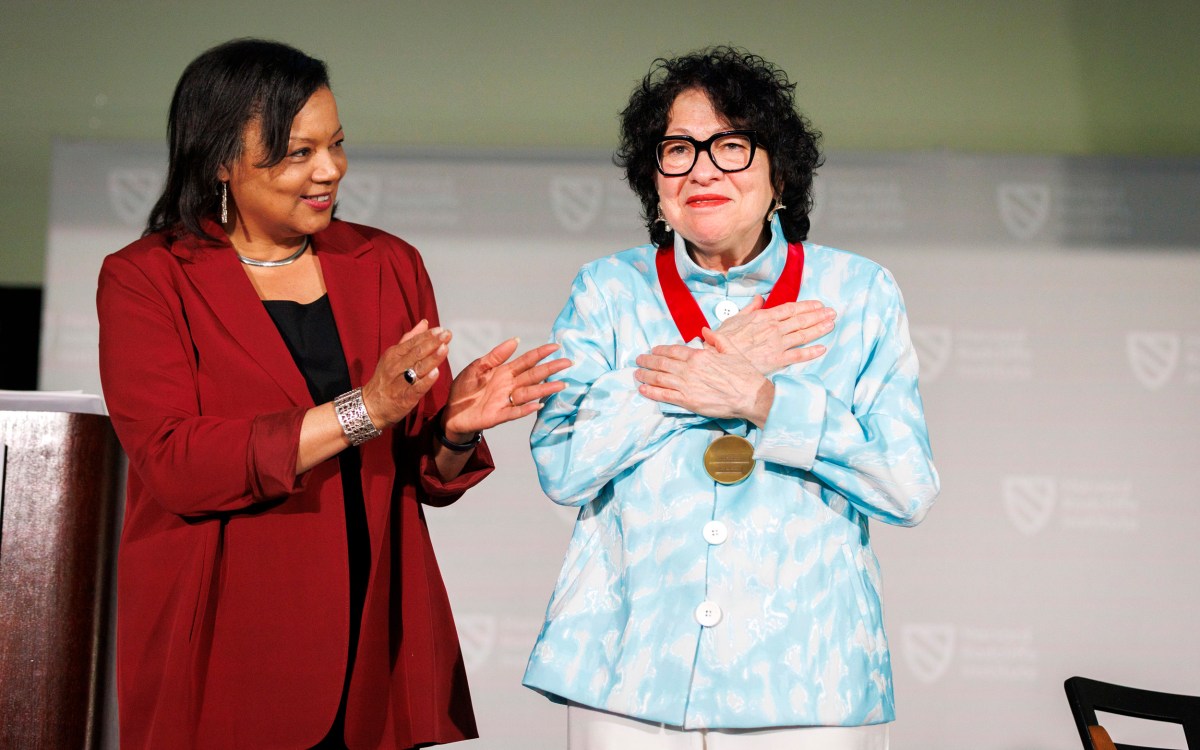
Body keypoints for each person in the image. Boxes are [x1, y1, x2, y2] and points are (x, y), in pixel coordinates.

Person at [96, 39, 568, 749]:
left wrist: (455, 432)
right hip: (228, 645)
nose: (329, 171)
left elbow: (416, 475)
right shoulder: (149, 278)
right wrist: (364, 411)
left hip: (375, 638)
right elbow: (175, 464)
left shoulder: (385, 263)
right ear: (221, 159)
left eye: (336, 145)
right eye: (296, 153)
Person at [523, 47, 940, 749]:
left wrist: (764, 399)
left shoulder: (859, 292)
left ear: (780, 173)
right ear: (653, 177)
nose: (703, 168)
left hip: (809, 685)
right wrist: (712, 361)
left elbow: (907, 486)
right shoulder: (606, 290)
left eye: (732, 145)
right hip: (628, 677)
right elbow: (564, 465)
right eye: (678, 149)